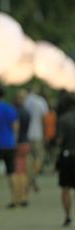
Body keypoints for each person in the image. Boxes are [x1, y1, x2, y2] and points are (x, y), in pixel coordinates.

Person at [0, 86, 19, 208]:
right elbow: (15, 126)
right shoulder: (10, 108)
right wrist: (14, 140)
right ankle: (14, 199)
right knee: (11, 172)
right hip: (9, 143)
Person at [56, 93, 75, 227]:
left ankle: (68, 216)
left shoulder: (63, 119)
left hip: (67, 156)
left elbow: (59, 140)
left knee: (66, 188)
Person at [24, 87, 48, 192]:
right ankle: (32, 179)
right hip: (38, 133)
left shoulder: (25, 101)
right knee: (39, 157)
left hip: (26, 134)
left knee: (29, 159)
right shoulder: (41, 101)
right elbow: (44, 119)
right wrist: (45, 134)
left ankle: (31, 180)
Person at [13, 89, 31, 207]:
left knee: (17, 172)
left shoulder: (15, 112)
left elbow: (16, 129)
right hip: (26, 142)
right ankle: (24, 196)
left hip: (18, 143)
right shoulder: (27, 112)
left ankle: (18, 198)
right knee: (24, 172)